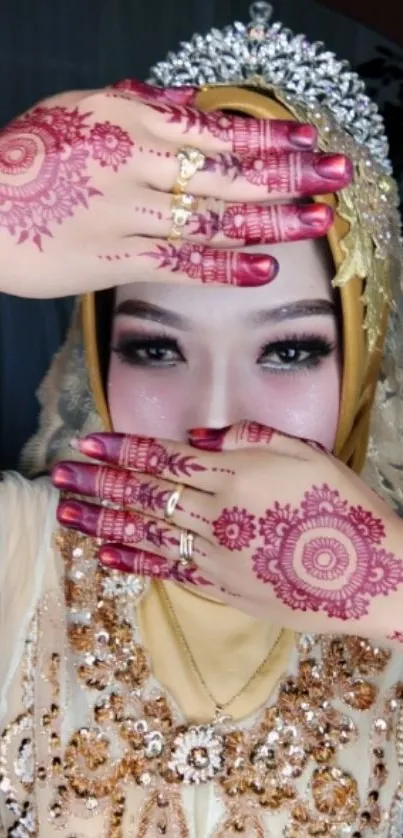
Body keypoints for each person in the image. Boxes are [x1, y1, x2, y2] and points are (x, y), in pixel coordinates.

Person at [1, 3, 403, 836]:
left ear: (361, 364)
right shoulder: (21, 563)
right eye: (154, 348)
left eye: (289, 350)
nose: (212, 416)